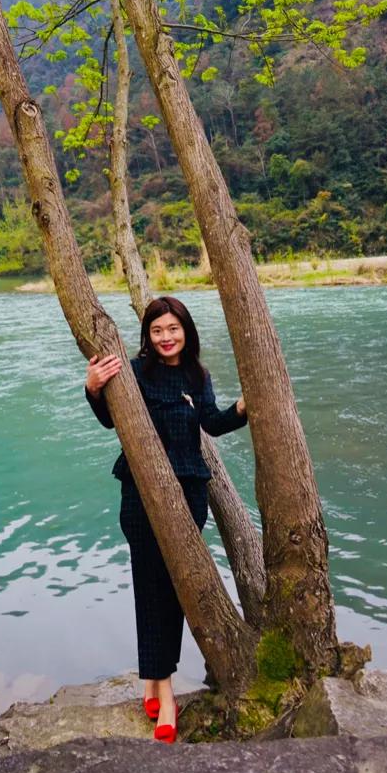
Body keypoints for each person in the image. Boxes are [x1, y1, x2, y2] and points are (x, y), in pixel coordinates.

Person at [85, 295, 246, 743]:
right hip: (140, 495)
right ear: (148, 336)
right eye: (157, 331)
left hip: (189, 494)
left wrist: (245, 407)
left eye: (173, 329)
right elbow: (109, 421)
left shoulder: (198, 374)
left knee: (174, 593)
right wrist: (93, 388)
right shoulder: (136, 372)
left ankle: (152, 682)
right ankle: (167, 697)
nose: (166, 337)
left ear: (186, 331)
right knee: (149, 588)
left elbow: (211, 424)